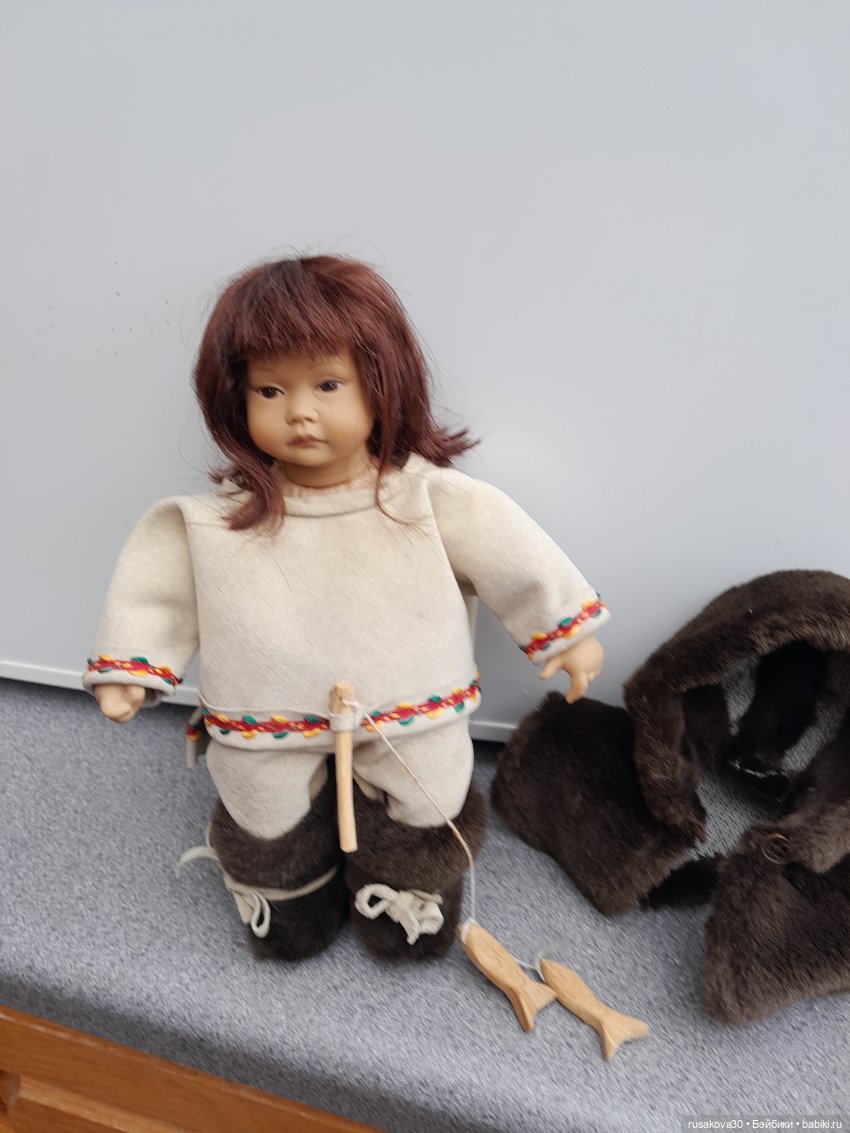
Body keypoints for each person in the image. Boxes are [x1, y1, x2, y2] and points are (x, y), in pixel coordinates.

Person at [84, 255, 609, 961]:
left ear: (381, 382)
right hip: (261, 714)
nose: (299, 411)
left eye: (328, 384)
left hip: (410, 708)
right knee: (261, 807)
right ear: (235, 398)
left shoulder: (425, 499)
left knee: (427, 795)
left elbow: (513, 555)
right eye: (270, 390)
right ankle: (285, 898)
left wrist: (562, 630)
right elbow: (157, 590)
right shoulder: (211, 523)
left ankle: (409, 896)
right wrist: (131, 666)